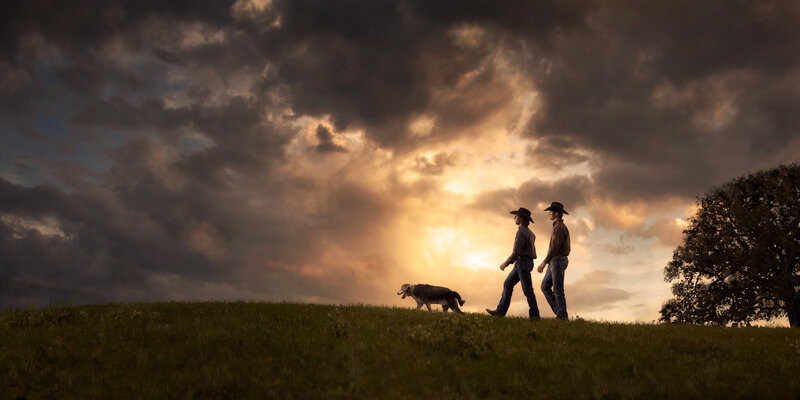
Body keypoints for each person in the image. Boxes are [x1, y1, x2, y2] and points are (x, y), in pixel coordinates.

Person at [486, 207, 540, 320]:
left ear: (521, 219)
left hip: (523, 262)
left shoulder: (521, 232)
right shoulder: (531, 233)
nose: (514, 217)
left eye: (516, 216)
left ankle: (535, 316)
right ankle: (500, 311)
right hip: (525, 262)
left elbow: (516, 252)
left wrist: (505, 263)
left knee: (528, 290)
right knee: (508, 284)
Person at [537, 202, 571, 320]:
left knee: (557, 289)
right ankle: (559, 312)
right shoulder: (557, 226)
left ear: (556, 213)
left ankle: (562, 316)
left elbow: (555, 247)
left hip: (557, 259)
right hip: (555, 260)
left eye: (550, 211)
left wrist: (544, 262)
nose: (549, 213)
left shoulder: (559, 228)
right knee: (545, 286)